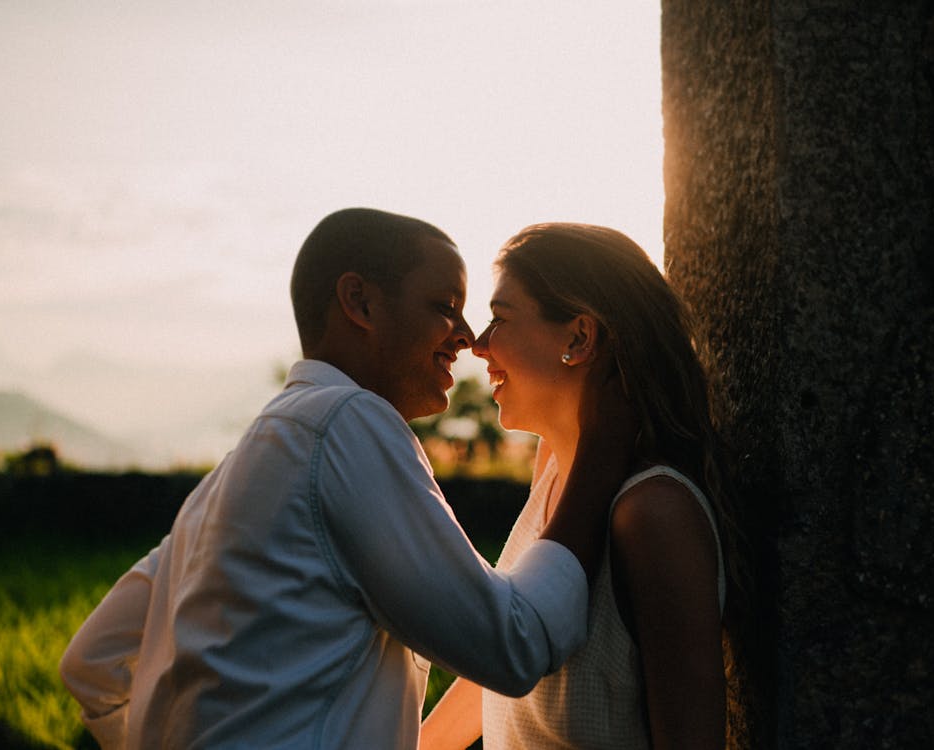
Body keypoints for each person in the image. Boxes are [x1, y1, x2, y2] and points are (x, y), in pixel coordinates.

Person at [59, 208, 634, 749]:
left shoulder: (228, 480)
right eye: (444, 305)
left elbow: (90, 664)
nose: (467, 337)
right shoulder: (346, 423)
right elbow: (514, 644)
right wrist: (598, 458)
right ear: (359, 301)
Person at [421, 223, 739, 749]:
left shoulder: (653, 513)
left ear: (578, 337)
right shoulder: (554, 471)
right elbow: (503, 671)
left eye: (500, 318)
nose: (477, 344)